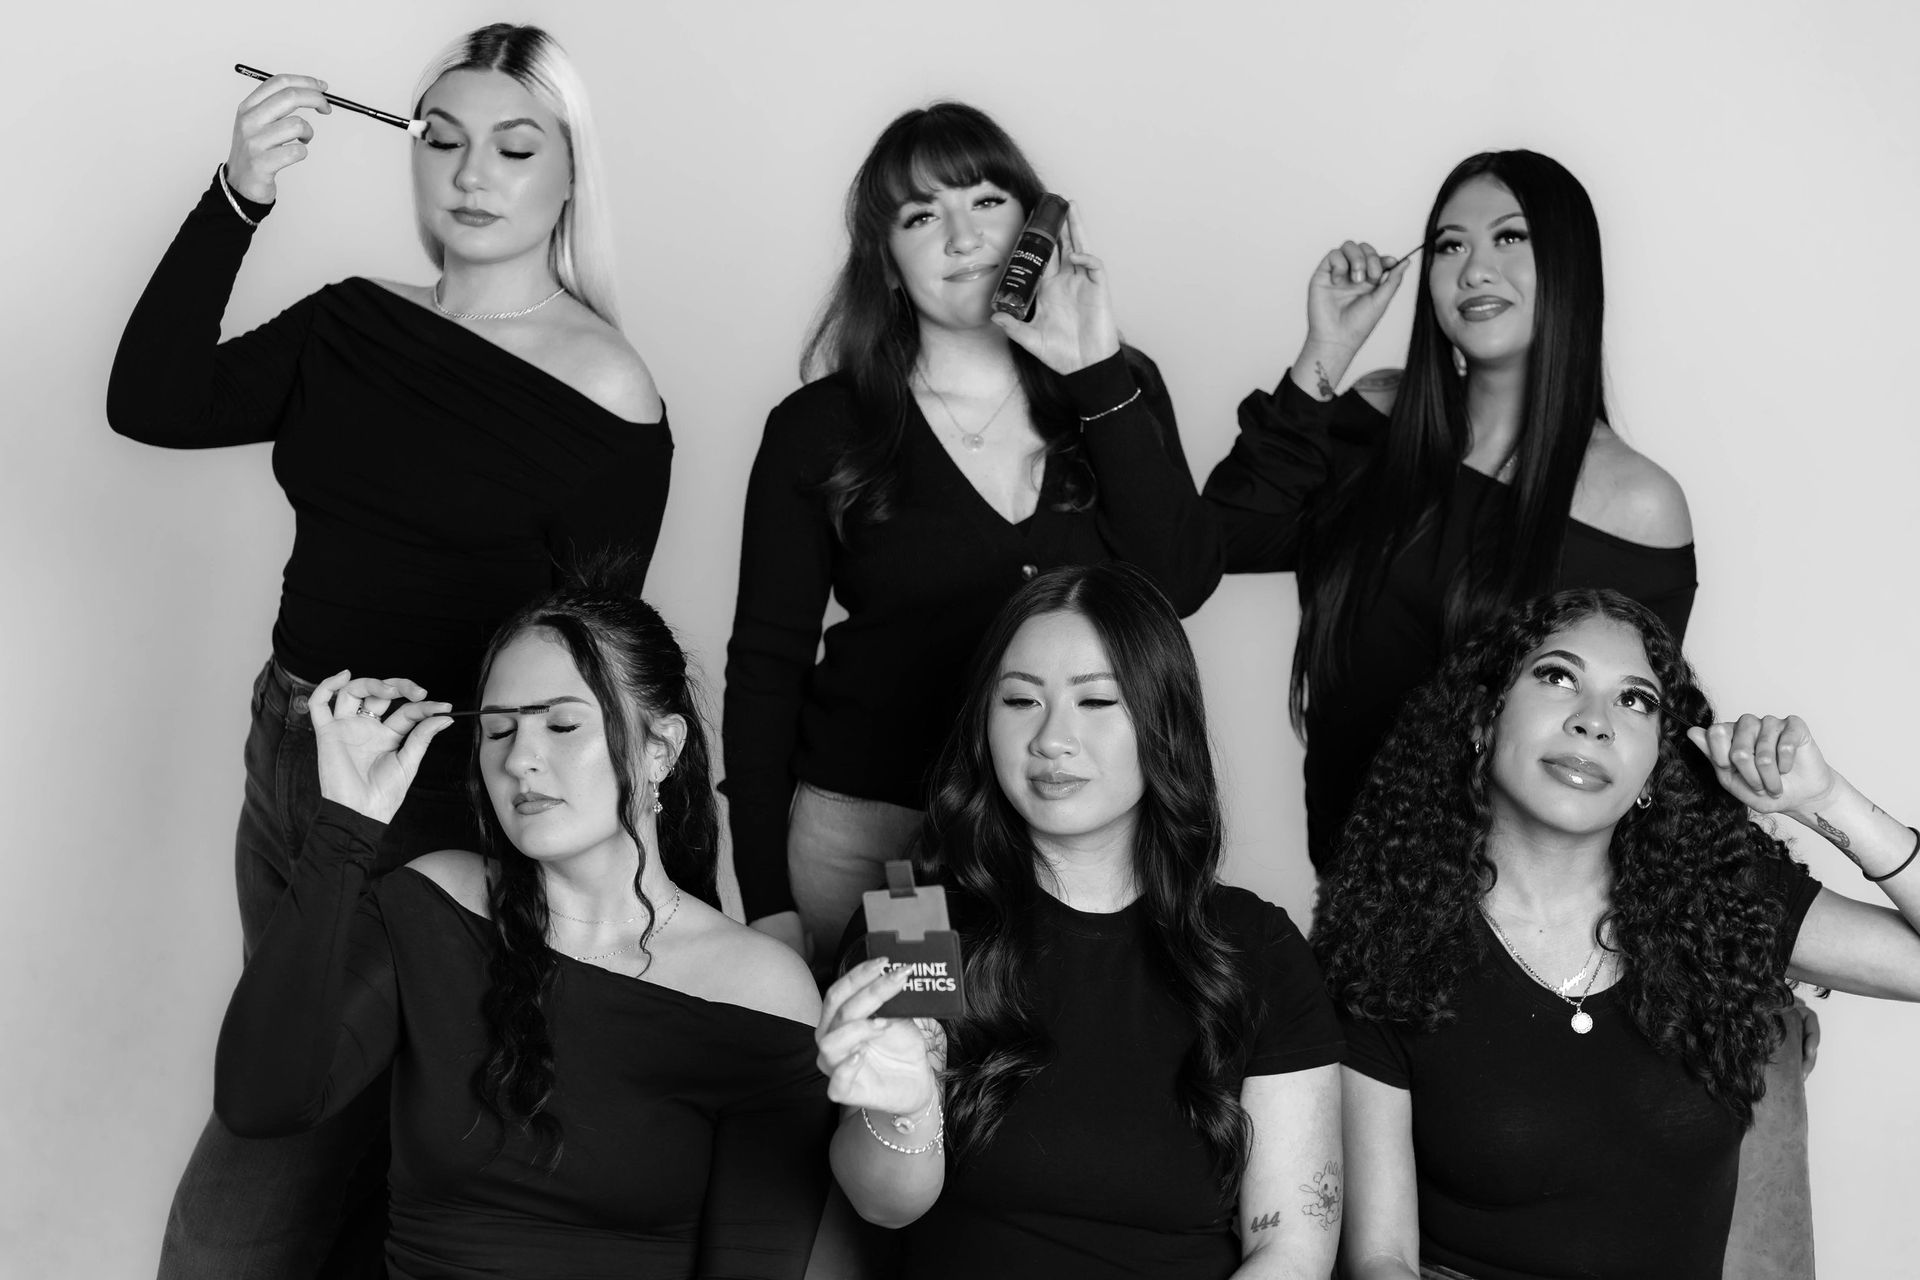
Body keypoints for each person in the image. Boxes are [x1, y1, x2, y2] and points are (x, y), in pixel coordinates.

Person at [106, 23, 670, 1277]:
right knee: (331, 1117)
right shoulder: (352, 322)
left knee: (250, 1177)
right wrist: (238, 194)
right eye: (442, 139)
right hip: (286, 750)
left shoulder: (608, 392)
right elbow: (151, 401)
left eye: (514, 147)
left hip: (423, 801)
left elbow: (591, 668)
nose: (471, 174)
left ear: (570, 173)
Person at [724, 102, 1220, 978]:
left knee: (1070, 1050)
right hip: (891, 845)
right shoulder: (821, 429)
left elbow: (1175, 583)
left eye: (987, 202)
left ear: (1037, 225)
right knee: (909, 1056)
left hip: (1076, 835)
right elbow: (765, 669)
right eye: (921, 217)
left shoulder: (1115, 387)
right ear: (885, 260)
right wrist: (766, 899)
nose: (963, 238)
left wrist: (1095, 371)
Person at [214, 576, 831, 1279]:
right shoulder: (431, 904)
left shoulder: (759, 988)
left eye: (561, 726)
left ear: (661, 747)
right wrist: (346, 824)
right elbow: (259, 1102)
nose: (518, 760)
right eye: (499, 730)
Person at [1316, 588, 1920, 1280]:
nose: (1594, 722)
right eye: (1557, 677)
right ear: (1483, 718)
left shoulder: (1718, 905)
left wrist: (1824, 800)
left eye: (1634, 700)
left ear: (1653, 768)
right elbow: (1382, 1259)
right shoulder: (1391, 942)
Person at [815, 563, 1343, 1280]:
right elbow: (884, 1208)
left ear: (1163, 722)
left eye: (1095, 701)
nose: (1052, 739)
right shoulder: (917, 923)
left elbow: (1292, 1251)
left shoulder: (1257, 948)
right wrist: (905, 1110)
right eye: (1020, 700)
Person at [1203, 149, 1694, 875]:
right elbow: (1222, 539)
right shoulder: (1377, 420)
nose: (1474, 271)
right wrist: (1326, 349)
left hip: (1503, 909)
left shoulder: (1637, 506)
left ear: (1569, 266)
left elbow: (1634, 747)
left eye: (1509, 237)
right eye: (1449, 246)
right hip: (1349, 887)